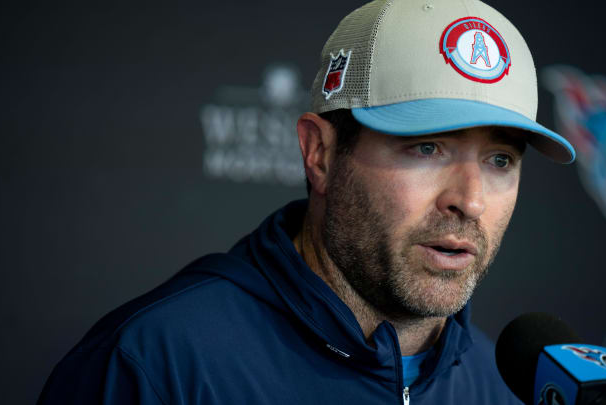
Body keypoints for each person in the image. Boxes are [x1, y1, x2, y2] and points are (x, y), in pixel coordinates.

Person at [38, 0, 575, 404]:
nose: (470, 201)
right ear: (319, 153)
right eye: (427, 148)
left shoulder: (501, 387)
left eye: (500, 160)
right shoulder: (158, 365)